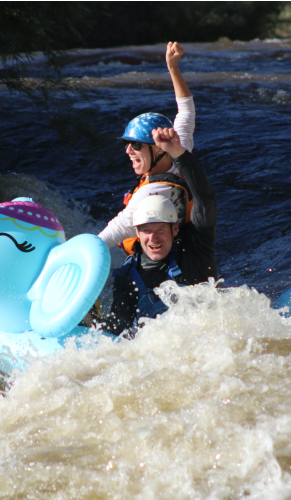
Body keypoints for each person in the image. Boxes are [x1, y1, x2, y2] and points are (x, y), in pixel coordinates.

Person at [100, 127, 216, 336]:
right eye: (146, 230)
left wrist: (178, 153)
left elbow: (205, 198)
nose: (153, 238)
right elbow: (117, 333)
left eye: (161, 229)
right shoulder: (128, 277)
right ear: (136, 232)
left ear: (175, 228)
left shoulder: (197, 246)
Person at [98, 41, 196, 255]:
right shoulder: (179, 151)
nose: (128, 151)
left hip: (163, 266)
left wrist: (77, 253)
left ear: (158, 149)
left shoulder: (152, 192)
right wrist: (172, 67)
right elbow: (186, 111)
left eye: (136, 145)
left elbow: (116, 229)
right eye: (127, 144)